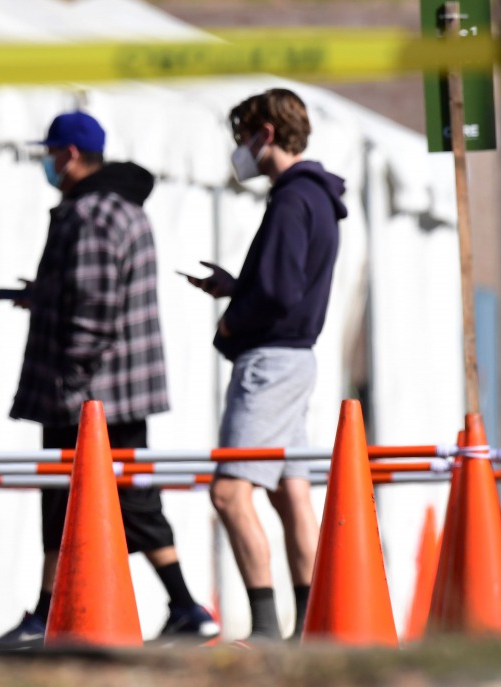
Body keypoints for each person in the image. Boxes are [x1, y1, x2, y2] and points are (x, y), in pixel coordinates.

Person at [0, 111, 218, 649]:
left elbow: (93, 309)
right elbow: (95, 291)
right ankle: (69, 609)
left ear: (69, 154)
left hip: (90, 394)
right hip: (123, 387)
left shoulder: (89, 214)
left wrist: (70, 376)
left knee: (97, 496)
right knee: (105, 495)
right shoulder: (123, 209)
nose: (48, 163)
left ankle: (182, 606)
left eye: (50, 153)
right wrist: (44, 296)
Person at [185, 88, 345, 642]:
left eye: (243, 137)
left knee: (229, 494)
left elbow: (278, 292)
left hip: (270, 362)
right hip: (296, 358)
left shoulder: (291, 200)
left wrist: (233, 320)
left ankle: (265, 629)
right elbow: (287, 284)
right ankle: (310, 626)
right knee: (290, 492)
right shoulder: (318, 198)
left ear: (267, 134)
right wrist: (239, 286)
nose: (241, 149)